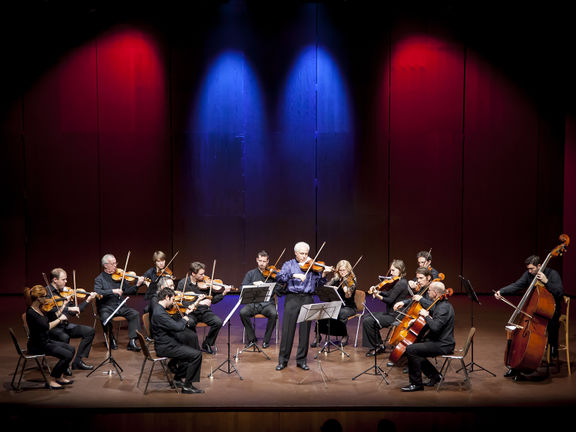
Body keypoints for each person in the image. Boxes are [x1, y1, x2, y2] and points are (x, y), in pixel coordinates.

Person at [494, 254, 564, 377]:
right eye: (528, 269)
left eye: (532, 268)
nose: (529, 271)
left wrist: (546, 281)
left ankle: (553, 345)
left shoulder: (552, 274)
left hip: (551, 310)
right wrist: (502, 291)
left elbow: (559, 293)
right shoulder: (529, 275)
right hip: (534, 311)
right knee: (517, 331)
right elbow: (517, 285)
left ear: (539, 266)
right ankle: (515, 365)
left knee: (552, 322)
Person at [274, 241, 333, 371]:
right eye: (302, 253)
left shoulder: (312, 266)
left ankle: (301, 360)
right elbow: (279, 277)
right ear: (295, 253)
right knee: (288, 331)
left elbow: (319, 284)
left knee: (305, 331)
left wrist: (323, 274)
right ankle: (283, 360)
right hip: (292, 298)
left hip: (307, 298)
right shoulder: (289, 265)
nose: (305, 256)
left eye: (306, 254)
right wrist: (293, 275)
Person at [399, 281, 455, 391]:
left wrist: (426, 316)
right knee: (415, 346)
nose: (427, 292)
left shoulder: (443, 308)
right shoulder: (440, 304)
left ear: (435, 293)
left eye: (429, 291)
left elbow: (435, 327)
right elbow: (435, 317)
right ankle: (435, 375)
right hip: (439, 341)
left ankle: (416, 384)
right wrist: (417, 319)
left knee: (411, 349)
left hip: (444, 344)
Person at [151, 287, 204, 394]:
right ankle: (187, 386)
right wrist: (185, 318)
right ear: (167, 297)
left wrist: (185, 315)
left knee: (188, 350)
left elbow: (173, 325)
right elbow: (177, 327)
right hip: (165, 347)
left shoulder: (159, 308)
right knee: (196, 354)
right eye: (172, 300)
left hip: (167, 342)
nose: (173, 303)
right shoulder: (160, 313)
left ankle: (177, 380)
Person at [45, 268, 98, 371]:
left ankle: (77, 362)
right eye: (63, 279)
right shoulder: (46, 292)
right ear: (55, 280)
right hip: (52, 327)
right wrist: (67, 308)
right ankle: (64, 365)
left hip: (64, 325)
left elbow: (75, 311)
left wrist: (87, 300)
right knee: (64, 336)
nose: (66, 282)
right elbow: (50, 310)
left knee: (89, 331)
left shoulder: (66, 292)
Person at [26, 285, 75, 389]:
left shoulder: (39, 309)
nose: (47, 298)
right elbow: (47, 326)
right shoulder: (31, 312)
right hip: (37, 345)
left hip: (45, 341)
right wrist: (60, 320)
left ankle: (59, 377)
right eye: (45, 296)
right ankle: (52, 379)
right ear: (39, 298)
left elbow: (55, 315)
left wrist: (63, 305)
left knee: (71, 349)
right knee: (66, 355)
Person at [176, 261, 231, 354]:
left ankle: (207, 343)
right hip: (191, 313)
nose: (203, 276)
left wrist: (223, 293)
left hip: (204, 312)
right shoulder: (183, 283)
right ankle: (193, 346)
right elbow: (181, 302)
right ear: (193, 274)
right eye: (201, 274)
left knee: (218, 322)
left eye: (204, 273)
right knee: (190, 323)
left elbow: (213, 300)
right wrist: (199, 303)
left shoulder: (205, 283)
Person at [94, 253, 144, 352]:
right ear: (105, 265)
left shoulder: (119, 276)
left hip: (120, 306)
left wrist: (137, 285)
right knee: (105, 317)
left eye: (115, 263)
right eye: (112, 264)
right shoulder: (99, 279)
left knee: (135, 314)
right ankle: (111, 337)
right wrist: (113, 291)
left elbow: (128, 291)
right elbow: (98, 292)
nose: (115, 266)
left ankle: (132, 341)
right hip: (106, 306)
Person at [362, 259, 410, 356]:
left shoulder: (402, 283)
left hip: (396, 316)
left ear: (400, 270)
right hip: (390, 313)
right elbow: (389, 293)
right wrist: (378, 291)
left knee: (368, 321)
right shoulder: (397, 281)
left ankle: (377, 347)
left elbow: (390, 299)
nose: (391, 273)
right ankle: (379, 344)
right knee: (367, 317)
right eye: (391, 270)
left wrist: (378, 295)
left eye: (393, 270)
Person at [311, 259, 357, 347]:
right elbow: (325, 287)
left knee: (340, 313)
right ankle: (318, 335)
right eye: (340, 270)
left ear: (348, 270)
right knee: (322, 311)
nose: (342, 272)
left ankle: (344, 335)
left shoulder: (352, 280)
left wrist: (346, 291)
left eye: (344, 270)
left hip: (348, 307)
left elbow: (348, 297)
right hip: (336, 305)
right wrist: (331, 288)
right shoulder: (336, 279)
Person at [239, 250, 280, 349]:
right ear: (257, 260)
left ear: (268, 261)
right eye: (260, 261)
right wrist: (252, 284)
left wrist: (274, 283)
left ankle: (266, 340)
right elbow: (241, 288)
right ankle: (252, 338)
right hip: (253, 303)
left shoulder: (273, 274)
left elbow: (279, 289)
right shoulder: (250, 273)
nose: (262, 263)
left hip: (267, 304)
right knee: (243, 312)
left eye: (264, 261)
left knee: (274, 314)